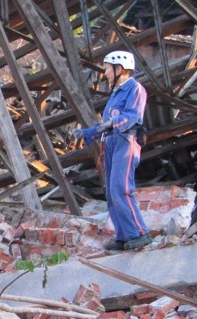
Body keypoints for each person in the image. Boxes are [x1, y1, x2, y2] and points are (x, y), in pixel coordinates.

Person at [73, 50, 151, 251]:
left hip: (125, 142)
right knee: (111, 192)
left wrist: (110, 125)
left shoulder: (135, 89)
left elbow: (132, 116)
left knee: (121, 189)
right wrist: (87, 133)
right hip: (111, 143)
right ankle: (123, 236)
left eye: (107, 68)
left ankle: (140, 233)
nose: (105, 72)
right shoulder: (116, 91)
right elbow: (106, 124)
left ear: (119, 69)